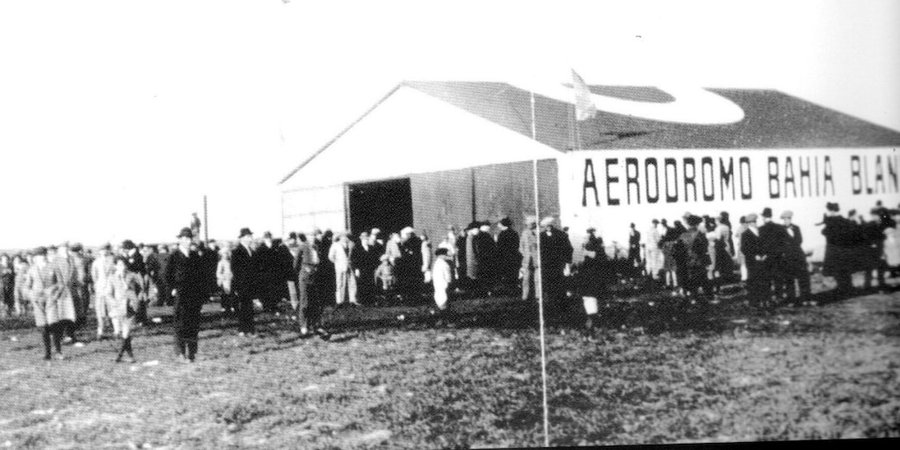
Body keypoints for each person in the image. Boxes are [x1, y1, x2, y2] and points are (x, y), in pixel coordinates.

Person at [166, 227, 205, 362]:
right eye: (185, 239)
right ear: (180, 240)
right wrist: (173, 289)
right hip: (181, 294)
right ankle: (180, 353)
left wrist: (201, 292)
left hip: (194, 294)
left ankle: (192, 353)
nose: (187, 241)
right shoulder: (174, 256)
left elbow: (201, 275)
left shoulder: (194, 256)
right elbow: (167, 275)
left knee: (193, 323)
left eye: (189, 239)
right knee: (180, 324)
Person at [24, 247, 66, 360]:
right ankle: (47, 353)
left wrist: (56, 295)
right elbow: (27, 286)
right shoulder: (32, 269)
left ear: (46, 255)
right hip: (38, 301)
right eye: (38, 256)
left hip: (51, 299)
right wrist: (31, 295)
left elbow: (61, 284)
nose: (41, 257)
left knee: (53, 325)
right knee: (43, 327)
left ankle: (58, 351)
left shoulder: (53, 267)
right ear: (35, 258)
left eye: (43, 255)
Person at [107, 256, 143, 363]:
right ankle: (129, 356)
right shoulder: (112, 277)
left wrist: (136, 300)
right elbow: (108, 294)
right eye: (119, 265)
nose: (121, 267)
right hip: (117, 307)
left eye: (123, 264)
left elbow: (141, 289)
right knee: (118, 332)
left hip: (129, 307)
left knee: (126, 333)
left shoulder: (132, 275)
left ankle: (120, 355)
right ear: (115, 266)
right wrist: (114, 303)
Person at [822, 202, 860, 298]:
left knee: (837, 271)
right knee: (845, 271)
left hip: (834, 250)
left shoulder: (831, 221)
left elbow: (825, 232)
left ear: (832, 211)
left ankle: (842, 289)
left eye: (828, 210)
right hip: (845, 250)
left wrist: (826, 222)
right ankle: (848, 288)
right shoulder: (844, 220)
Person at [578, 227, 610, 329]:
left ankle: (592, 318)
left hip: (592, 276)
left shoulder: (594, 247)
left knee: (590, 295)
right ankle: (592, 317)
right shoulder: (591, 246)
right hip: (590, 276)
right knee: (590, 296)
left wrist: (588, 253)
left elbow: (599, 257)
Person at [52, 242, 83, 346]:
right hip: (61, 291)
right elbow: (55, 276)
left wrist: (77, 283)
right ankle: (61, 336)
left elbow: (75, 274)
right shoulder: (56, 260)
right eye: (63, 248)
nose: (65, 250)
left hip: (72, 290)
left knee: (73, 314)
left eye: (66, 248)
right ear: (59, 250)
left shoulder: (71, 259)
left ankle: (70, 335)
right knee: (62, 314)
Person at [539, 216, 573, 304]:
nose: (548, 227)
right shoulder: (541, 236)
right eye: (546, 226)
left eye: (549, 225)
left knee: (559, 283)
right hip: (546, 264)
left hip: (558, 263)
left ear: (552, 225)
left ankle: (561, 301)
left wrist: (567, 263)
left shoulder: (561, 235)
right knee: (548, 283)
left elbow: (569, 249)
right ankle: (550, 301)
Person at [780, 210, 812, 305]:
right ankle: (791, 300)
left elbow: (800, 240)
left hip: (798, 256)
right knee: (789, 279)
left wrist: (792, 245)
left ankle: (805, 299)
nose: (786, 221)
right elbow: (780, 243)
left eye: (788, 219)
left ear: (791, 219)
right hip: (788, 257)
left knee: (803, 278)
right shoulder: (780, 230)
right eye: (785, 219)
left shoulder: (796, 228)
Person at [759, 207, 789, 305]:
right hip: (778, 257)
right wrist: (781, 252)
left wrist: (763, 254)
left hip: (766, 258)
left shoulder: (761, 229)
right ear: (771, 216)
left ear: (764, 217)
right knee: (778, 278)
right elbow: (785, 242)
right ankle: (779, 297)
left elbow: (759, 244)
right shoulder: (779, 227)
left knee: (767, 279)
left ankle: (768, 299)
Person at [231, 227, 258, 337]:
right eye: (248, 236)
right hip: (242, 283)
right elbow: (235, 269)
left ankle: (249, 329)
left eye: (250, 236)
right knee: (243, 306)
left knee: (249, 306)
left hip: (250, 283)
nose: (250, 238)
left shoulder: (252, 251)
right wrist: (239, 284)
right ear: (242, 238)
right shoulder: (237, 251)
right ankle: (243, 329)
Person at [679, 215, 710, 298]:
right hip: (698, 260)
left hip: (687, 261)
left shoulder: (683, 235)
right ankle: (708, 297)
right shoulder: (699, 235)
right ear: (697, 224)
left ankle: (691, 296)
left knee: (690, 279)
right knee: (703, 279)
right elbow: (704, 247)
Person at [741, 213, 767, 307]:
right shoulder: (745, 234)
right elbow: (744, 249)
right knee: (753, 280)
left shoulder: (760, 232)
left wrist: (764, 254)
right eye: (753, 222)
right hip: (752, 261)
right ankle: (754, 301)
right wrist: (753, 256)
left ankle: (763, 299)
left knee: (762, 280)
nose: (755, 223)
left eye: (755, 221)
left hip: (762, 260)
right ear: (749, 223)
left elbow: (764, 244)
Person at [90, 245, 116, 340]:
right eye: (102, 250)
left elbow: (115, 273)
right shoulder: (96, 262)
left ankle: (116, 330)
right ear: (99, 252)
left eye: (105, 251)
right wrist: (97, 285)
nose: (104, 252)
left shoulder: (112, 261)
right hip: (100, 288)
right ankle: (100, 331)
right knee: (100, 310)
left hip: (110, 287)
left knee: (112, 307)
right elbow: (94, 275)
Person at [329, 232, 359, 306]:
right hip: (340, 267)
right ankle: (339, 301)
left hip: (350, 266)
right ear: (340, 237)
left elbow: (355, 255)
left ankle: (352, 300)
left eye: (347, 237)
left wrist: (353, 263)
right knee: (340, 283)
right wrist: (337, 262)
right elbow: (330, 256)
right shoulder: (335, 245)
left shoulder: (351, 244)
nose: (346, 238)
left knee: (352, 283)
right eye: (344, 237)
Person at [495, 217, 521, 294]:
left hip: (505, 258)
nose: (498, 225)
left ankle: (508, 290)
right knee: (513, 274)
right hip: (514, 257)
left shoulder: (502, 234)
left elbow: (500, 247)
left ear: (503, 225)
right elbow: (517, 245)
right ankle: (514, 289)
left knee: (506, 274)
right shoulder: (514, 233)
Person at [519, 216, 539, 301]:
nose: (528, 225)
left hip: (536, 259)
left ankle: (538, 295)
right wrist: (524, 253)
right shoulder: (524, 233)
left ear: (534, 224)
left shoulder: (539, 232)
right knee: (525, 279)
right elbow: (521, 245)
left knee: (537, 279)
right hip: (527, 259)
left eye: (530, 224)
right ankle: (525, 295)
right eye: (527, 224)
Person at [216, 244, 234, 314]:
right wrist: (222, 277)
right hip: (224, 280)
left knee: (231, 294)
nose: (226, 255)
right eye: (224, 254)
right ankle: (224, 307)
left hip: (231, 279)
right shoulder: (221, 263)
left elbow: (232, 270)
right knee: (225, 294)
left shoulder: (230, 262)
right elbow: (218, 272)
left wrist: (232, 275)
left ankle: (231, 306)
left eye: (227, 254)